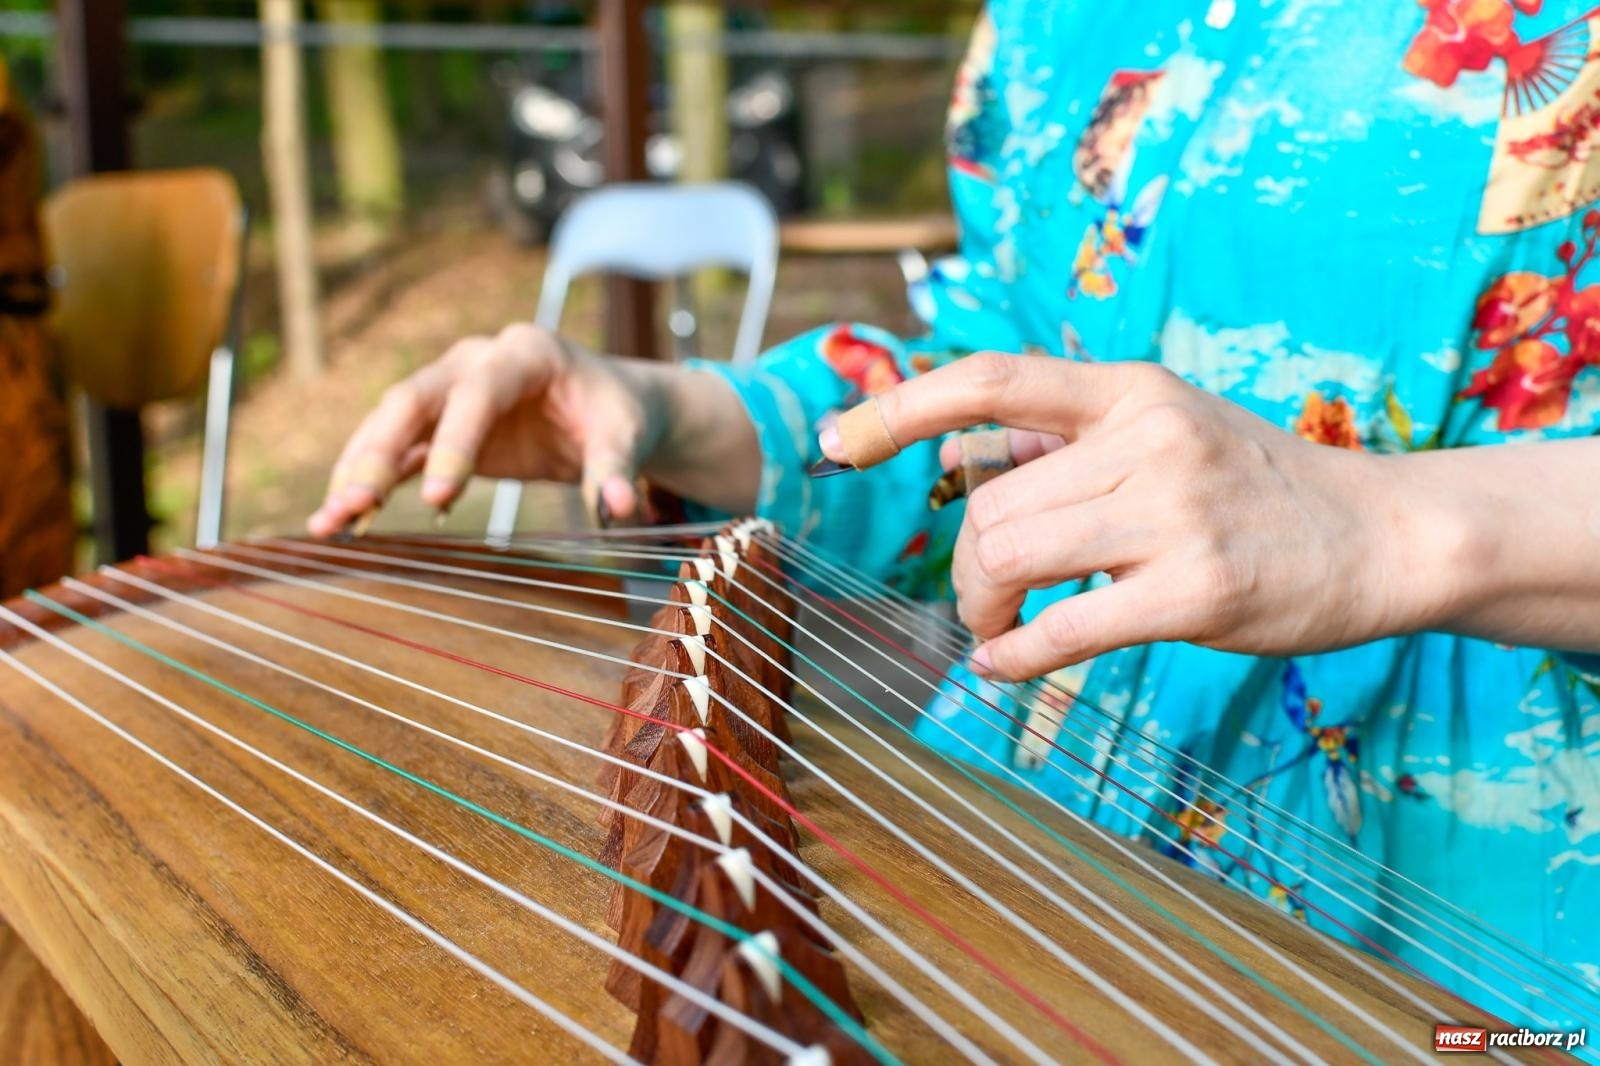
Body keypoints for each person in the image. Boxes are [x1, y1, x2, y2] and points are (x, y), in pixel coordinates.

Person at [310, 0, 1600, 1030]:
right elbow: (1005, 391)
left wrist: (1386, 523)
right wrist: (666, 409)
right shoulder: (1046, 19)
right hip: (1022, 875)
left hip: (1485, 944)